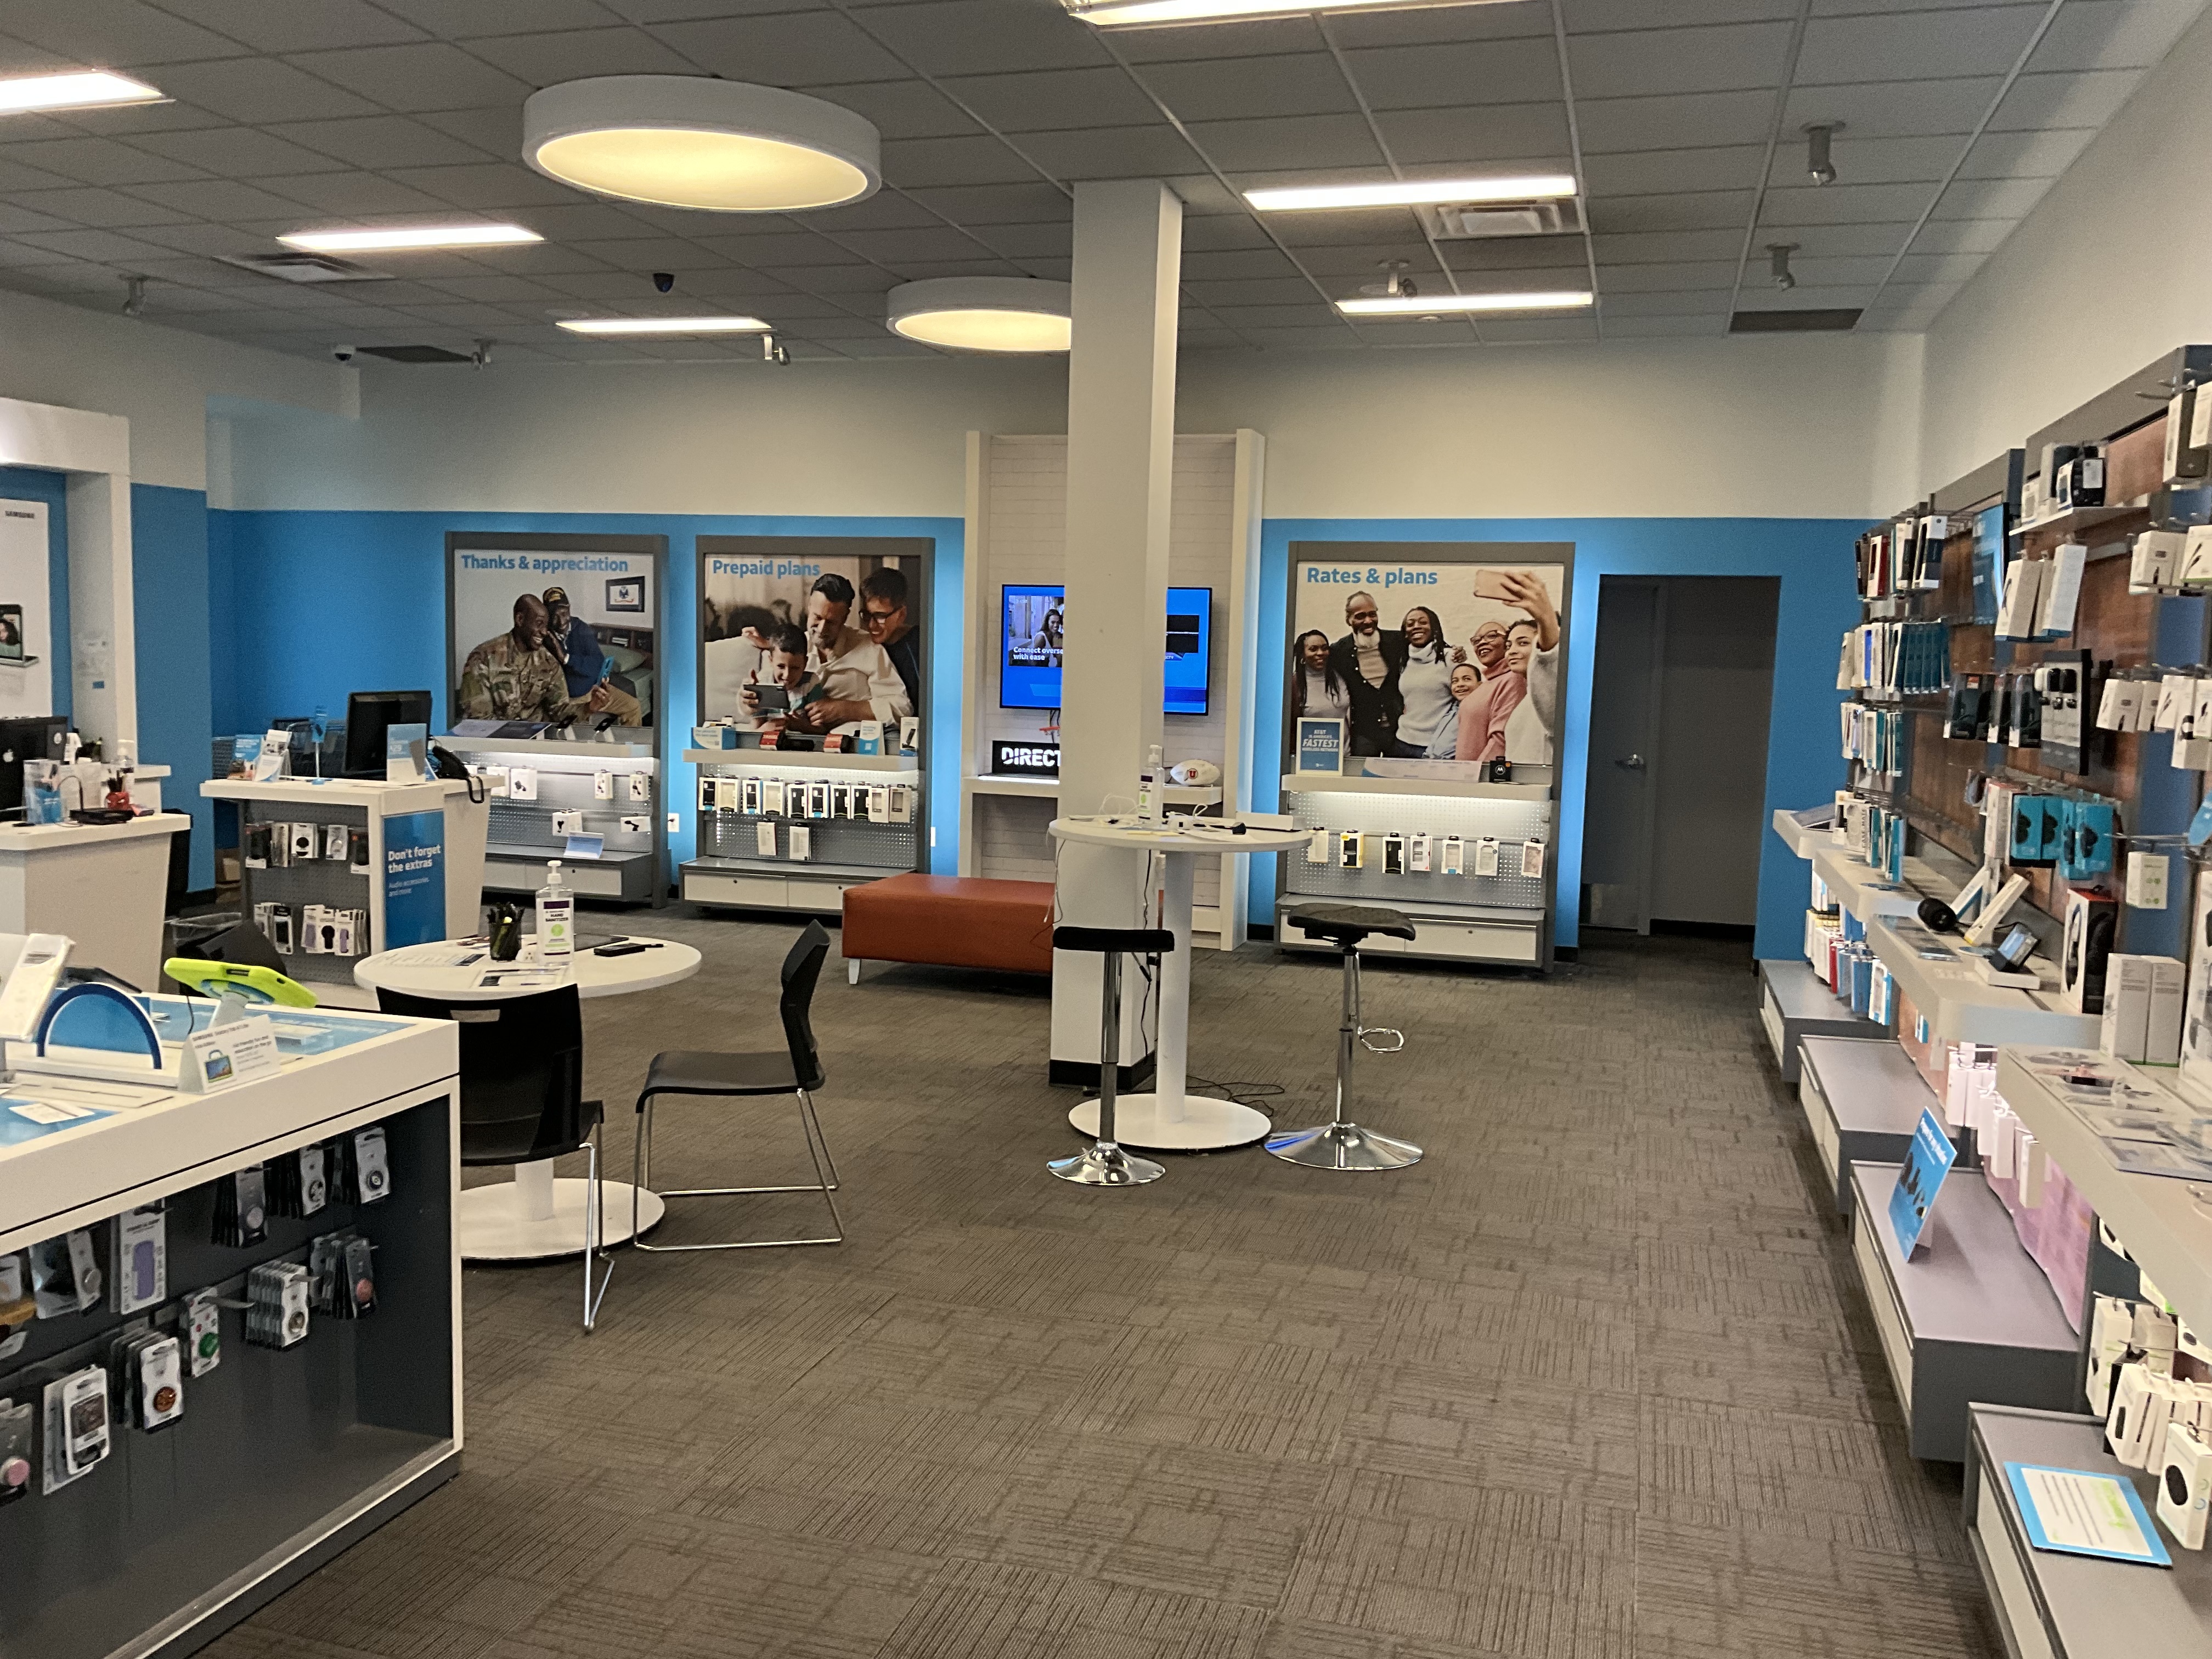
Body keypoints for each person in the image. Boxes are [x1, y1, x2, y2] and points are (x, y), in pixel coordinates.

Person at [706, 572, 911, 732]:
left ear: (845, 617)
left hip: (848, 741)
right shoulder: (793, 646)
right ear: (809, 607)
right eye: (817, 618)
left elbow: (902, 708)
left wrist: (846, 709)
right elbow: (762, 692)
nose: (821, 629)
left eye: (831, 622)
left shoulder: (869, 648)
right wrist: (749, 703)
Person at [458, 594, 611, 724]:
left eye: (546, 625)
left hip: (537, 740)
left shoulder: (549, 662)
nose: (544, 632)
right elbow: (478, 722)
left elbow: (560, 711)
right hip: (497, 742)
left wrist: (589, 708)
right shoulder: (484, 659)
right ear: (520, 620)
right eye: (539, 624)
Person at [541, 585, 642, 726]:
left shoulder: (580, 628)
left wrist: (566, 659)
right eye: (554, 617)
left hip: (594, 689)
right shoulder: (544, 637)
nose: (561, 622)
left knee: (633, 706)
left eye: (564, 614)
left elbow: (598, 662)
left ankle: (630, 741)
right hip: (571, 699)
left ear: (569, 609)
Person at [1328, 589, 1405, 756]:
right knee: (1361, 772)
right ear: (1349, 620)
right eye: (1360, 616)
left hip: (1400, 731)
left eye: (1372, 614)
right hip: (1364, 733)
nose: (1368, 621)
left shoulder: (1398, 641)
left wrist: (1456, 653)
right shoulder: (1339, 652)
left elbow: (1432, 648)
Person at [1390, 605, 1453, 758]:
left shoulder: (1450, 658)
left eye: (1423, 622)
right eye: (1410, 624)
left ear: (1434, 628)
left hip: (1434, 746)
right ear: (1405, 633)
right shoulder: (1403, 660)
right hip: (1402, 742)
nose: (1416, 626)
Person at [860, 566, 922, 716]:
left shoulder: (920, 646)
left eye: (880, 616)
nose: (871, 625)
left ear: (901, 614)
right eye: (867, 615)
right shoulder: (862, 645)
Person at [752, 625, 828, 743]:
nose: (787, 675)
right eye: (781, 666)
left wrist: (802, 727)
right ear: (771, 660)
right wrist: (765, 730)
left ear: (805, 663)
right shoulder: (763, 683)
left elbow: (822, 730)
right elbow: (753, 732)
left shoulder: (811, 683)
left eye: (795, 668)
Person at [1290, 628, 1350, 723]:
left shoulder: (1341, 676)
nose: (1320, 653)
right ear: (1303, 656)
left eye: (1325, 648)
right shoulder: (1293, 685)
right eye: (1313, 649)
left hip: (1343, 733)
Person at [1427, 663, 1482, 760]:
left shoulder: (1478, 713)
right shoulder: (1452, 710)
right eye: (1455, 681)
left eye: (1467, 679)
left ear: (1480, 685)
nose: (1460, 685)